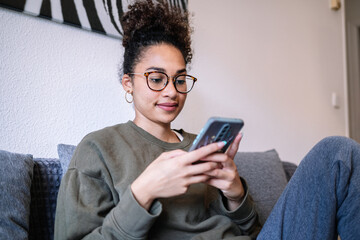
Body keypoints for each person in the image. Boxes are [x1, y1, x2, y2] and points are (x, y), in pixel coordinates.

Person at [54, 0, 360, 239]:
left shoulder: (202, 145)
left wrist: (234, 192)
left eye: (180, 79)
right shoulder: (98, 149)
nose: (171, 92)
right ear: (128, 83)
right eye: (157, 78)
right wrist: (144, 191)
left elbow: (252, 232)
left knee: (338, 153)